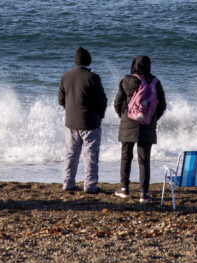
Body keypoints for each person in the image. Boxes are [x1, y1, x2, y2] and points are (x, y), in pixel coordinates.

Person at [113, 55, 166, 203]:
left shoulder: (126, 81)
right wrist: (151, 119)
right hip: (147, 125)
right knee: (144, 160)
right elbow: (162, 105)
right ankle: (144, 193)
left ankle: (124, 189)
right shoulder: (155, 82)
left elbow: (117, 103)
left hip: (127, 124)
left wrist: (123, 117)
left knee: (126, 156)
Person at [58, 47, 108, 193]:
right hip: (91, 122)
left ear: (75, 61)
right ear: (89, 61)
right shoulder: (93, 78)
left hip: (71, 122)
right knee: (91, 155)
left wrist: (70, 111)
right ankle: (90, 185)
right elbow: (102, 101)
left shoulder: (65, 76)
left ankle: (68, 182)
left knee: (71, 154)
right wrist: (101, 115)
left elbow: (61, 99)